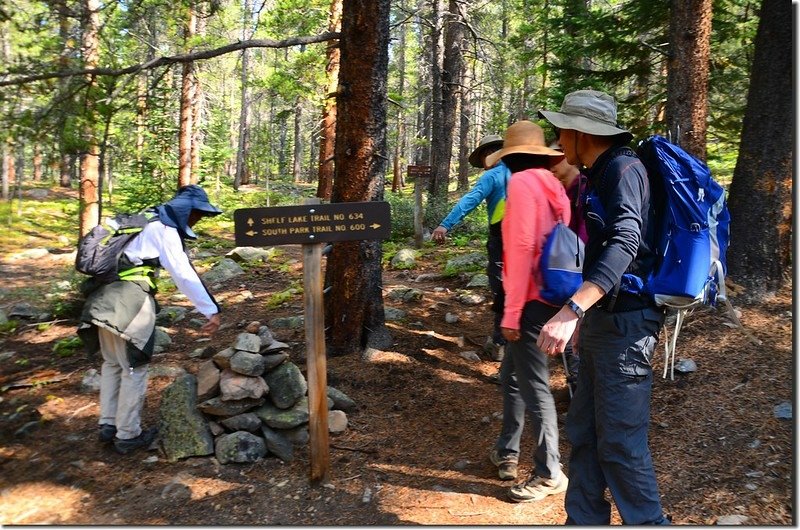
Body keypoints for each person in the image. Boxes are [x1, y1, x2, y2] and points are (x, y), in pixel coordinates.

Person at [537, 89, 669, 524]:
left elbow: (626, 242)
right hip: (603, 323)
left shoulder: (624, 169)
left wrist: (571, 311)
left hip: (628, 325)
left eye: (561, 131)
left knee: (620, 443)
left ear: (581, 132)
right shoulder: (598, 172)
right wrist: (584, 324)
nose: (558, 140)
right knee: (587, 435)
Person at [78, 185, 223, 455]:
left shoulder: (142, 220)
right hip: (130, 301)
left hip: (102, 299)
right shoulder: (163, 229)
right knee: (135, 366)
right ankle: (128, 434)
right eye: (197, 214)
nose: (197, 220)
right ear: (185, 210)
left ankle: (108, 425)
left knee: (112, 363)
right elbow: (182, 271)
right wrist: (210, 309)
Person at [484, 120, 570, 503]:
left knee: (535, 386)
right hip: (554, 296)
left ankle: (550, 471)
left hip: (530, 301)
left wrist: (510, 314)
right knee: (515, 377)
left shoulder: (520, 184)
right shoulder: (554, 184)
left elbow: (519, 251)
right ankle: (507, 450)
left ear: (511, 156)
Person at [431, 134, 509, 361]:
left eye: (484, 155)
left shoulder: (493, 175)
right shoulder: (527, 172)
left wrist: (445, 225)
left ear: (489, 154)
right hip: (532, 244)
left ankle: (500, 345)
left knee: (502, 290)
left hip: (502, 241)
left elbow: (470, 200)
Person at [548, 142, 588, 397]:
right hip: (569, 276)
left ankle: (580, 394)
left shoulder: (585, 190)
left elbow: (585, 241)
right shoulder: (565, 191)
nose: (548, 166)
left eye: (552, 159)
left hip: (584, 282)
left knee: (579, 343)